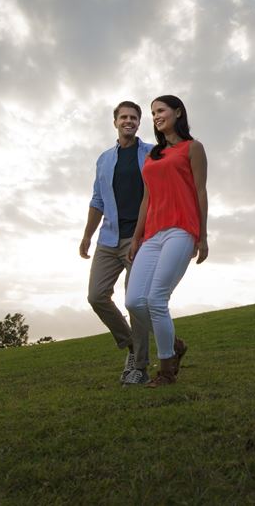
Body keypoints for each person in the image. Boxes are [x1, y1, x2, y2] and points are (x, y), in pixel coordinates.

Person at [125, 95, 208, 387]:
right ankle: (175, 344)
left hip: (181, 229)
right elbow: (147, 199)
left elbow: (200, 191)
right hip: (152, 234)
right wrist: (137, 238)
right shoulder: (153, 156)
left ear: (178, 112)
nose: (156, 116)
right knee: (134, 301)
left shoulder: (193, 148)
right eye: (153, 113)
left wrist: (204, 235)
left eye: (160, 110)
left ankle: (167, 371)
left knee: (156, 299)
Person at [80, 101, 154, 385]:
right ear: (115, 122)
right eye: (124, 117)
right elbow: (97, 200)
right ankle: (132, 345)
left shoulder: (150, 153)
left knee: (135, 302)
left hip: (140, 238)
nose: (129, 121)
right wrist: (87, 235)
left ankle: (140, 367)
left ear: (139, 123)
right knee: (96, 296)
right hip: (108, 239)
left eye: (134, 117)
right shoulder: (104, 159)